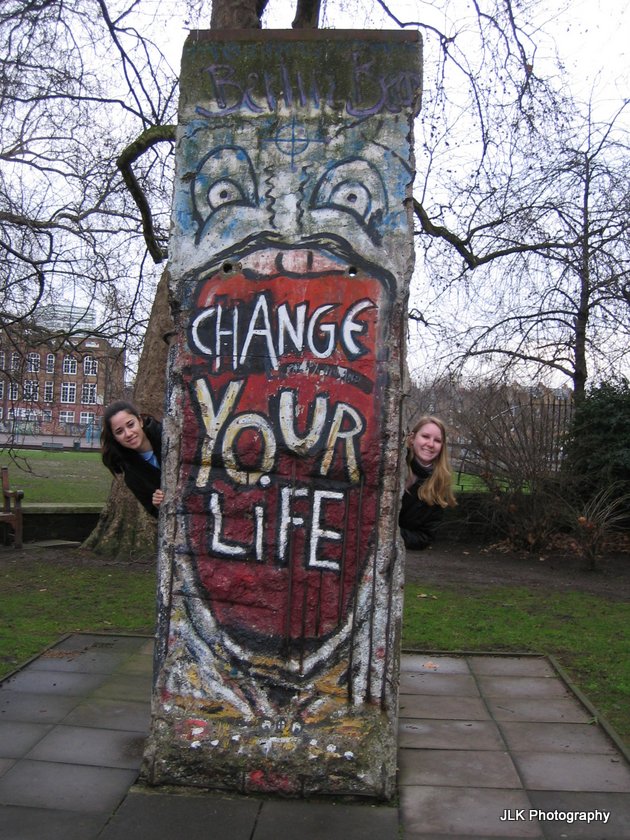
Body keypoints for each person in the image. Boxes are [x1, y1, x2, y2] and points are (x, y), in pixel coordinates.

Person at [399, 415, 456, 550]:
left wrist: (392, 535)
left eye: (437, 440)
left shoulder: (439, 483)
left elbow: (424, 537)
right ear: (412, 438)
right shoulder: (393, 466)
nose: (430, 444)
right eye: (425, 436)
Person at [101, 400, 164, 518]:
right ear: (115, 438)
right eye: (119, 431)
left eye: (130, 425)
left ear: (140, 421)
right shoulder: (132, 476)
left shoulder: (168, 436)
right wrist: (158, 505)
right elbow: (155, 512)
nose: (128, 434)